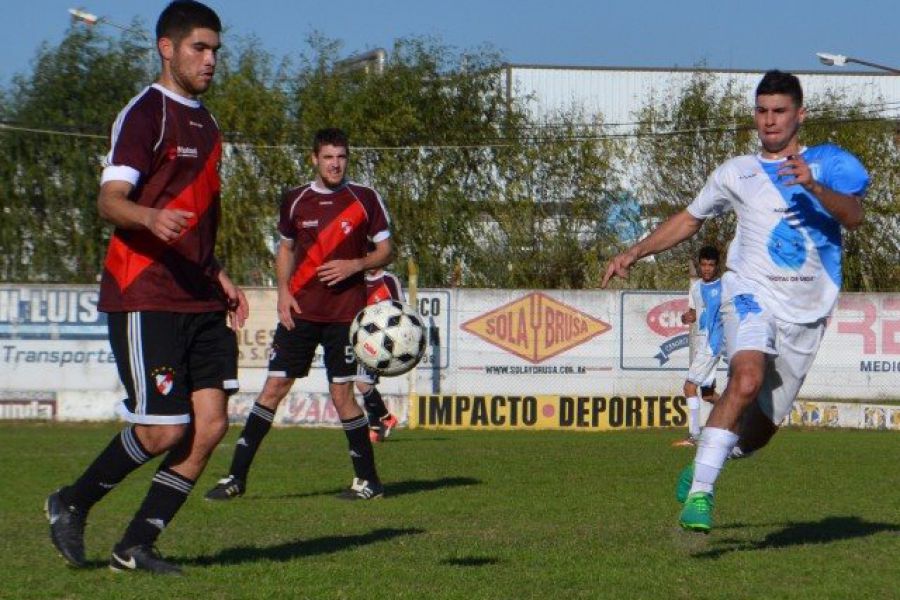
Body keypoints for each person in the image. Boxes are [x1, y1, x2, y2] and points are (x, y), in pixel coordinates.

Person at [603, 70, 868, 533]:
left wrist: (813, 186)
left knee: (761, 432)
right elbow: (690, 219)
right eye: (762, 111)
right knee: (744, 379)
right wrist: (635, 251)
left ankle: (709, 457)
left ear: (799, 115)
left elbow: (856, 216)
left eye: (780, 111)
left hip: (807, 313)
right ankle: (702, 494)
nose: (770, 121)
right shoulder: (736, 173)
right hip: (749, 293)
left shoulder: (830, 165)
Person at [45, 0, 248, 575]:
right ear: (167, 48)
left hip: (200, 294)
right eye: (199, 49)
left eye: (215, 50)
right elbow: (109, 200)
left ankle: (134, 546)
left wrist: (219, 272)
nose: (210, 60)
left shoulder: (207, 122)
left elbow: (199, 219)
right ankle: (72, 501)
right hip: (146, 292)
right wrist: (149, 216)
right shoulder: (145, 113)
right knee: (164, 428)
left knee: (209, 426)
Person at [205, 127, 392, 502]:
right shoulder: (295, 201)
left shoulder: (366, 199)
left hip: (345, 316)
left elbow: (386, 250)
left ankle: (368, 482)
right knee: (273, 389)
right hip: (300, 313)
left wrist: (355, 264)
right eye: (328, 157)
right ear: (314, 159)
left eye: (341, 156)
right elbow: (286, 250)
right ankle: (235, 478)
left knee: (343, 396)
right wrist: (283, 293)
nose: (335, 163)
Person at [672, 245, 725, 448]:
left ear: (717, 266)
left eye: (711, 265)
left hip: (713, 345)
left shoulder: (725, 286)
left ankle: (694, 437)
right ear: (699, 265)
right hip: (702, 342)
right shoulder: (695, 288)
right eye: (703, 264)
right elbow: (695, 313)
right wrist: (687, 317)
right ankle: (739, 417)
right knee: (708, 394)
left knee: (689, 387)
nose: (707, 269)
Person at [358, 267, 403, 442]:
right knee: (367, 384)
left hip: (382, 342)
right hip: (364, 339)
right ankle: (376, 430)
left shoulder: (389, 280)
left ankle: (386, 419)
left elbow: (402, 309)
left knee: (362, 383)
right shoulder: (360, 282)